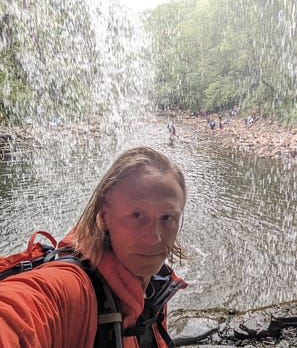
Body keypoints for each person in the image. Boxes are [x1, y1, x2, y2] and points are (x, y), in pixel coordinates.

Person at [0, 146, 188, 347]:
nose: (154, 238)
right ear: (104, 214)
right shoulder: (71, 287)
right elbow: (17, 315)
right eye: (137, 216)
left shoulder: (155, 284)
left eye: (167, 218)